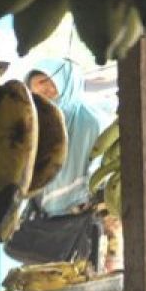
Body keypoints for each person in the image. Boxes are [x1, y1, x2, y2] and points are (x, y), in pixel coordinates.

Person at [24, 58, 111, 217]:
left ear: (69, 84)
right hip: (36, 217)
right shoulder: (29, 120)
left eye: (52, 82)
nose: (45, 89)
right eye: (40, 82)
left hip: (79, 216)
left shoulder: (92, 123)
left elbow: (103, 172)